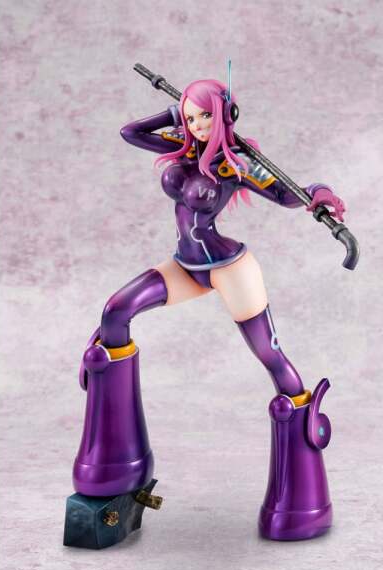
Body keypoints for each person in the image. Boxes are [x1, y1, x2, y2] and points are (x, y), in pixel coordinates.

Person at [72, 79, 342, 541]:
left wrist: (318, 194)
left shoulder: (234, 163)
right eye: (190, 117)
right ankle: (116, 460)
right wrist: (173, 114)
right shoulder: (182, 148)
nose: (197, 125)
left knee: (272, 359)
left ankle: (302, 488)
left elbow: (284, 193)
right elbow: (130, 132)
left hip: (228, 267)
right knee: (115, 313)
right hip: (186, 266)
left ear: (224, 116)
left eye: (204, 116)